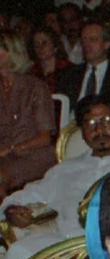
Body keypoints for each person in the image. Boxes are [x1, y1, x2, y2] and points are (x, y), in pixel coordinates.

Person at [0, 95, 110, 259]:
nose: (99, 130)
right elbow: (25, 195)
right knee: (18, 251)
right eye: (91, 123)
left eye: (107, 121)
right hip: (63, 245)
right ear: (82, 133)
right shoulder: (65, 169)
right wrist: (12, 210)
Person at [0, 33, 57, 200]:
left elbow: (45, 138)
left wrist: (11, 149)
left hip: (32, 154)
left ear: (12, 53)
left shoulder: (35, 87)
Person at [54, 22, 110, 103]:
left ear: (107, 44)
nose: (86, 44)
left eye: (92, 40)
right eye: (83, 40)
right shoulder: (68, 75)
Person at [28, 26, 70, 92]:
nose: (40, 47)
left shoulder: (69, 70)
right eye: (36, 44)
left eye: (44, 43)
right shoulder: (32, 73)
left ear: (55, 47)